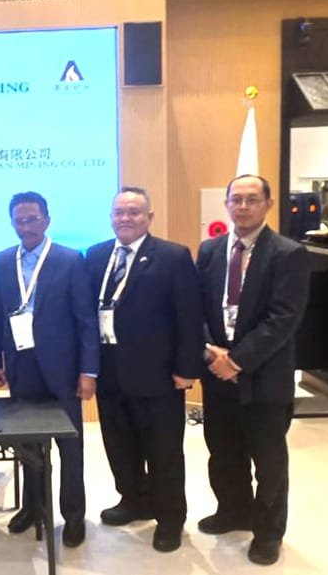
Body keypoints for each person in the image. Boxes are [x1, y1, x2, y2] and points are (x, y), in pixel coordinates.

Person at [196, 174, 309, 566]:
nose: (242, 207)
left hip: (264, 376)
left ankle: (268, 533)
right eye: (236, 199)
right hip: (217, 374)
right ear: (227, 203)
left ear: (268, 205)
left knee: (269, 461)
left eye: (252, 199)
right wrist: (212, 352)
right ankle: (233, 511)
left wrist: (237, 360)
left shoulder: (288, 253)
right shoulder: (210, 250)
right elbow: (198, 308)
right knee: (223, 451)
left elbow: (284, 318)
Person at [85, 187, 204, 552]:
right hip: (110, 372)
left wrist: (187, 368)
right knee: (120, 445)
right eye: (119, 212)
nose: (125, 218)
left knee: (164, 452)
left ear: (149, 217)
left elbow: (189, 316)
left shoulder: (172, 256)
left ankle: (170, 518)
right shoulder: (96, 255)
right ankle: (134, 500)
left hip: (159, 375)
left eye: (134, 212)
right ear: (110, 217)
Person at [0, 192, 98, 548]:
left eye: (33, 219)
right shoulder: (3, 260)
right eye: (19, 220)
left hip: (63, 370)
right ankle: (33, 508)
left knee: (70, 447)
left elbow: (86, 320)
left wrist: (88, 371)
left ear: (46, 220)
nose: (26, 226)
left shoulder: (69, 259)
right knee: (28, 446)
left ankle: (74, 516)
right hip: (21, 367)